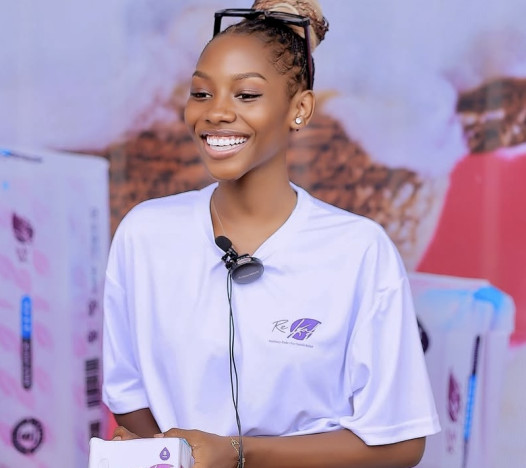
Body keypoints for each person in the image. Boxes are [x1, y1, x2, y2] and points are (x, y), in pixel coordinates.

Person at [101, 0, 441, 467]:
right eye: (201, 93)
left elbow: (401, 443)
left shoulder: (359, 249)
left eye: (246, 95)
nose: (217, 112)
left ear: (300, 109)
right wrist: (173, 456)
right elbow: (128, 393)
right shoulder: (144, 234)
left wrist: (238, 455)